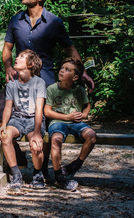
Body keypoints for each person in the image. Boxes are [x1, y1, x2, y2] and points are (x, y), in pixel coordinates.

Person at [0, 0, 95, 177]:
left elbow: (70, 48)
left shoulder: (54, 22)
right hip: (18, 79)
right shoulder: (15, 21)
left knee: (43, 124)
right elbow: (7, 49)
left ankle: (42, 169)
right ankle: (17, 153)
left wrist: (84, 72)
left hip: (44, 79)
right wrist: (8, 67)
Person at [44, 58, 96, 190]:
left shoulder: (79, 89)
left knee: (92, 136)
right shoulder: (52, 89)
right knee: (56, 140)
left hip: (76, 123)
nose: (62, 70)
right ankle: (59, 176)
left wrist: (84, 114)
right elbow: (47, 112)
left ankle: (76, 165)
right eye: (62, 68)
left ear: (75, 77)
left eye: (67, 70)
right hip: (58, 122)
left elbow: (87, 105)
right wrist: (66, 116)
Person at [0, 49, 46, 191]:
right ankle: (16, 175)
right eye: (17, 56)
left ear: (30, 64)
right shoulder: (12, 84)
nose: (16, 58)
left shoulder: (39, 82)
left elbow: (39, 109)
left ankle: (38, 174)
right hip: (17, 119)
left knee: (35, 144)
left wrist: (37, 133)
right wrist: (3, 125)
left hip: (33, 119)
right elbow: (8, 108)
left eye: (21, 57)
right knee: (5, 136)